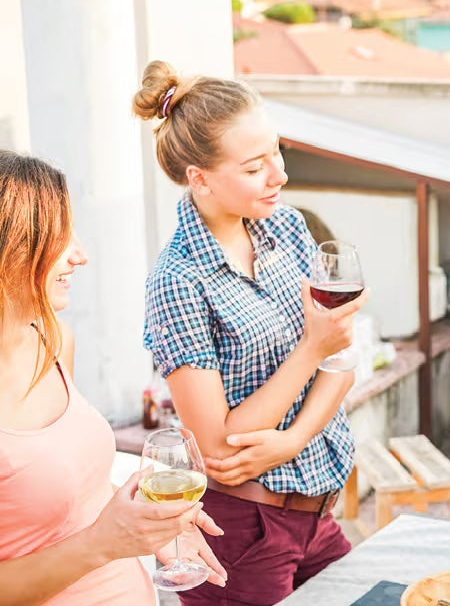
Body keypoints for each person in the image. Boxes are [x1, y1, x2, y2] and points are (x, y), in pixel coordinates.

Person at [134, 61, 369, 606]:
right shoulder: (178, 279)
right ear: (201, 179)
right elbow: (219, 444)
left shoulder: (287, 226)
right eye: (254, 166)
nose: (278, 175)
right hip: (242, 530)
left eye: (276, 153)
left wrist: (292, 439)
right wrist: (312, 348)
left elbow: (342, 359)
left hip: (317, 515)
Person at [0, 151, 225, 606]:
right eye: (60, 238)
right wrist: (103, 542)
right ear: (10, 250)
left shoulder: (54, 340)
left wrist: (148, 523)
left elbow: (76, 490)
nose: (80, 255)